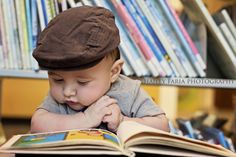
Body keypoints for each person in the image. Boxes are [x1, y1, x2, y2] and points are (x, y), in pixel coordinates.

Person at [31, 6, 169, 133]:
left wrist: (123, 121)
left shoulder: (129, 91)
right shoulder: (58, 99)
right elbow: (37, 125)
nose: (67, 92)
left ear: (113, 72)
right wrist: (85, 119)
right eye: (58, 79)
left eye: (82, 82)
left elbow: (162, 126)